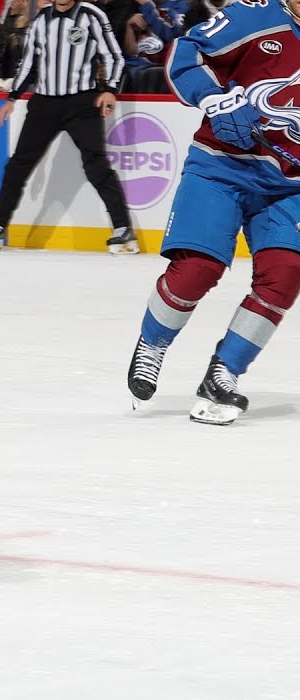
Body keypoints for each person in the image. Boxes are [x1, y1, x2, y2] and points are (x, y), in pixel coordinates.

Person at [126, 0, 300, 425]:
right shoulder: (253, 17)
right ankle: (153, 342)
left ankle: (224, 373)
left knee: (286, 273)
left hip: (289, 185)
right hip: (222, 167)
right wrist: (217, 100)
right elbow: (186, 54)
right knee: (198, 268)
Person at [0, 0, 136, 254]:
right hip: (45, 103)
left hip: (82, 102)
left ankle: (122, 229)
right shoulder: (40, 20)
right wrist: (13, 97)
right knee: (18, 164)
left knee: (96, 165)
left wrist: (111, 90)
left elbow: (113, 55)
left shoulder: (91, 15)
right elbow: (28, 62)